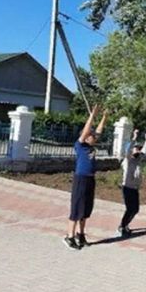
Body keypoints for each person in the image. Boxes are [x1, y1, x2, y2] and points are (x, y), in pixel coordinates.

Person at [64, 105, 108, 250]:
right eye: (91, 135)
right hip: (81, 179)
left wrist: (104, 117)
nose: (93, 137)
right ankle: (69, 236)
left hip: (90, 179)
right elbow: (86, 130)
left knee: (86, 209)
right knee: (76, 208)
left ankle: (80, 234)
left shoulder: (91, 147)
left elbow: (99, 131)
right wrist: (92, 115)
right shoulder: (80, 145)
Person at [117, 129, 146, 237]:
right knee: (130, 209)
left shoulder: (138, 159)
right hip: (127, 187)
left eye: (138, 149)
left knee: (135, 209)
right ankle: (122, 226)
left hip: (135, 188)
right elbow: (128, 150)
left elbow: (144, 151)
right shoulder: (127, 159)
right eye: (136, 149)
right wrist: (134, 137)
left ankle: (125, 225)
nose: (138, 151)